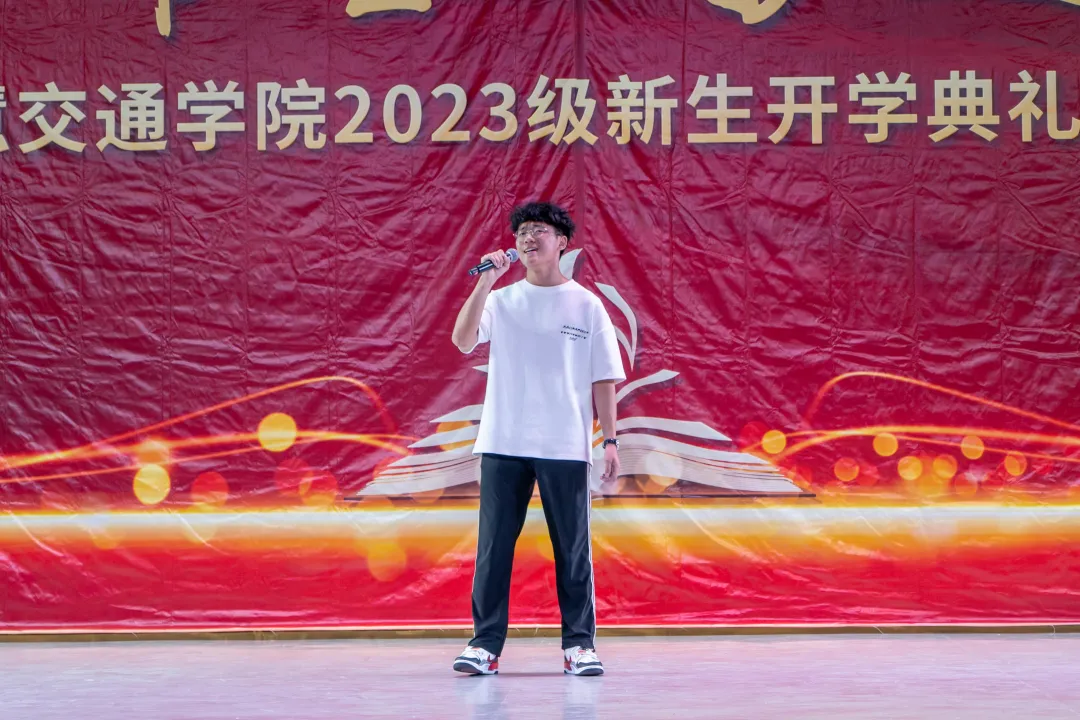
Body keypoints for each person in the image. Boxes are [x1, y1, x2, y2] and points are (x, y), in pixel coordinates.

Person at [449, 201, 625, 677]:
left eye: (539, 231)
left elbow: (604, 378)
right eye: (522, 231)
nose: (528, 238)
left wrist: (610, 440)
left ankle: (579, 646)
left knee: (572, 549)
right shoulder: (502, 299)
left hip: (564, 443)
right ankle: (484, 646)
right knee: (493, 549)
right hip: (503, 441)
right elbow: (463, 340)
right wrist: (485, 281)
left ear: (561, 242)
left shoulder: (586, 305)